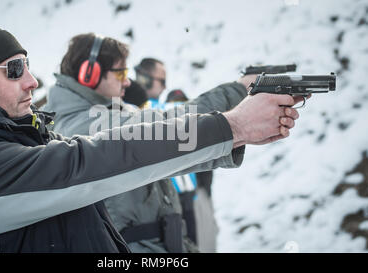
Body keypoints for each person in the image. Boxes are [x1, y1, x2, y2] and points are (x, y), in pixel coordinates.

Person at [0, 18, 301, 253]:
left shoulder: (24, 136)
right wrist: (234, 122)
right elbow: (107, 156)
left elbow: (150, 134)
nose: (32, 81)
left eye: (28, 66)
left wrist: (235, 123)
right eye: (14, 69)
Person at [43, 33, 301, 252]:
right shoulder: (83, 125)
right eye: (120, 72)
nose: (128, 80)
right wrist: (238, 93)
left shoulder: (102, 117)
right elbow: (171, 127)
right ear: (90, 73)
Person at [165, 89, 218, 252]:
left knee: (205, 238)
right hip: (176, 201)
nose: (178, 107)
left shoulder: (197, 131)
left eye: (182, 102)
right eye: (175, 104)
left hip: (198, 194)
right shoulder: (165, 134)